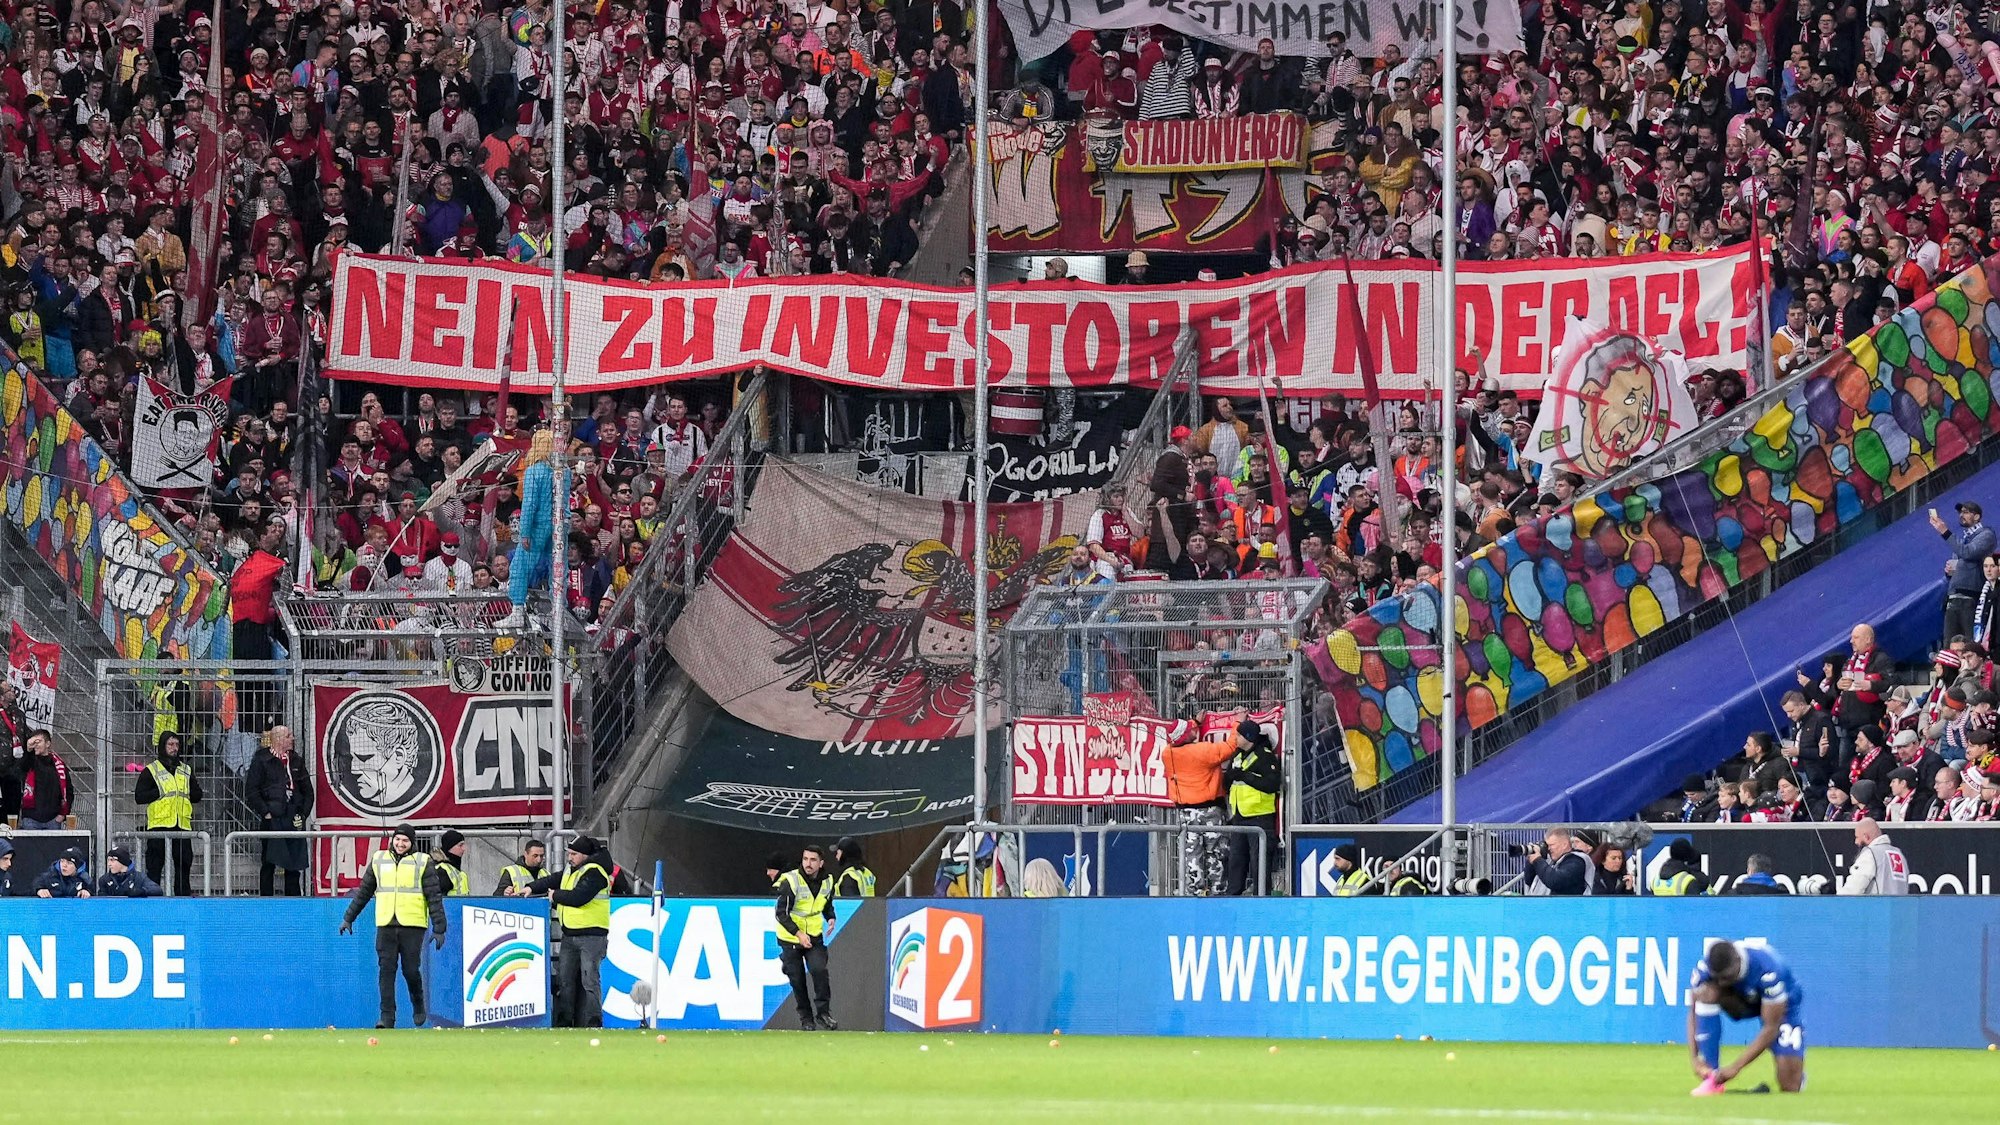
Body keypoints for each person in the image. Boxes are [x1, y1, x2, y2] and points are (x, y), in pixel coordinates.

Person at [339, 824, 447, 1029]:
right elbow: (364, 892)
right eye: (398, 839)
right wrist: (348, 917)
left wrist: (439, 927)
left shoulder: (423, 862)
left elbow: (434, 896)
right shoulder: (379, 859)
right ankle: (387, 1017)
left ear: (412, 842)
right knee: (386, 971)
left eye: (405, 840)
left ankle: (418, 1005)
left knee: (410, 970)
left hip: (413, 925)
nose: (400, 843)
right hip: (386, 924)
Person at [1688, 938, 1806, 1095]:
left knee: (1790, 1086)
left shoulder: (1768, 970)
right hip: (1740, 999)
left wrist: (1736, 1067)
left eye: (1727, 977)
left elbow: (1771, 1027)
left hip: (1782, 1005)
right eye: (1718, 978)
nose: (1722, 982)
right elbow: (1693, 1013)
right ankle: (1712, 1077)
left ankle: (1793, 1065)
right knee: (1706, 992)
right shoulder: (1704, 969)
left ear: (1738, 961)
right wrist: (1695, 1059)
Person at [530, 837, 613, 1028]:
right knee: (564, 981)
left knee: (589, 980)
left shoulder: (596, 873)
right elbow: (552, 879)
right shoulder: (572, 870)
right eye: (569, 853)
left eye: (574, 854)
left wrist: (554, 896)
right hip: (570, 935)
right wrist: (530, 887)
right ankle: (564, 1022)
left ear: (585, 855)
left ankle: (593, 1021)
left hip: (592, 935)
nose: (570, 857)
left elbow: (578, 897)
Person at [1164, 721, 1236, 896]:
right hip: (1210, 812)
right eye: (1191, 730)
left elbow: (1181, 737)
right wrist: (1238, 723)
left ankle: (1196, 893)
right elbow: (1230, 747)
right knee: (1216, 854)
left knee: (1193, 857)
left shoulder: (1167, 754)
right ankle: (1217, 893)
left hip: (1185, 814)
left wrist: (1194, 722)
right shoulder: (1203, 750)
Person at [775, 844, 838, 1030]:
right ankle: (806, 1019)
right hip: (791, 937)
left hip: (814, 936)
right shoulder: (791, 881)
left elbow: (826, 903)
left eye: (812, 860)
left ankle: (824, 1014)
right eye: (805, 859)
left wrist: (831, 917)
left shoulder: (828, 881)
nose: (808, 864)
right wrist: (798, 933)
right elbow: (781, 913)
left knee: (819, 970)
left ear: (821, 863)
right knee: (797, 979)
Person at [245, 726, 313, 896]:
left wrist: (303, 814)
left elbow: (308, 792)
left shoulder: (296, 760)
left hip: (293, 816)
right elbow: (252, 790)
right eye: (289, 736)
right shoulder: (262, 759)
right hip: (272, 817)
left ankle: (293, 902)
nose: (293, 738)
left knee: (294, 863)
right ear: (278, 739)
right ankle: (266, 901)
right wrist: (265, 812)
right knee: (268, 862)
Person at [134, 731, 200, 895]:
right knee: (155, 867)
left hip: (181, 825)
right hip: (159, 825)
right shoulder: (151, 770)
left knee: (184, 866)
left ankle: (182, 899)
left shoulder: (185, 770)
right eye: (170, 744)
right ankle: (154, 899)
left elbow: (197, 794)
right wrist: (158, 792)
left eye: (177, 745)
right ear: (163, 746)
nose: (174, 748)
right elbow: (139, 797)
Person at [1220, 721, 1281, 895]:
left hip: (1260, 817)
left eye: (1238, 735)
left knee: (1259, 861)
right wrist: (1230, 777)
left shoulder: (1265, 756)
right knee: (1236, 860)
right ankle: (1233, 895)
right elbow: (1228, 783)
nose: (1236, 738)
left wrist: (1246, 776)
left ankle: (1261, 897)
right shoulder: (1237, 755)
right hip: (1240, 816)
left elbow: (1272, 784)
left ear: (1248, 737)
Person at [1929, 500, 1995, 642]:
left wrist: (1945, 532)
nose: (1961, 515)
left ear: (1976, 517)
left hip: (1970, 601)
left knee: (1969, 644)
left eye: (1966, 512)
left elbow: (1968, 553)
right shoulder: (1964, 539)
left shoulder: (1986, 535)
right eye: (1960, 512)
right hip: (1954, 599)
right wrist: (1950, 572)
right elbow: (1963, 559)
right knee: (1950, 645)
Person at [1837, 818, 1910, 895]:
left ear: (1866, 837)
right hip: (1902, 905)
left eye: (1857, 837)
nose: (1856, 842)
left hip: (1878, 905)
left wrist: (1837, 900)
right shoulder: (1898, 854)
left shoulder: (1871, 854)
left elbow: (1853, 889)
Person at [18, 729, 73, 830]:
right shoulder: (30, 762)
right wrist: (28, 750)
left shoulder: (59, 765)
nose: (35, 745)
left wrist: (62, 815)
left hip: (53, 820)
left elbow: (69, 791)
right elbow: (24, 764)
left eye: (38, 742)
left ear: (47, 744)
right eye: (33, 742)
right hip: (31, 820)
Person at [1523, 827, 1588, 895]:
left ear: (1564, 845)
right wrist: (1531, 860)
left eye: (1551, 845)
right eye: (1547, 845)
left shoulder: (1577, 861)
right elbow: (1529, 880)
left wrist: (1537, 860)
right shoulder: (1550, 860)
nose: (1548, 849)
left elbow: (1555, 881)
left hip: (1570, 904)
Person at [95, 846, 164, 897]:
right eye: (108, 860)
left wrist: (141, 891)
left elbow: (157, 889)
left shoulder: (138, 877)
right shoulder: (104, 879)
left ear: (122, 862)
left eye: (112, 860)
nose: (109, 864)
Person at [433, 829, 471, 894]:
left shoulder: (459, 872)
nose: (464, 849)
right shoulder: (442, 871)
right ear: (450, 847)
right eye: (460, 845)